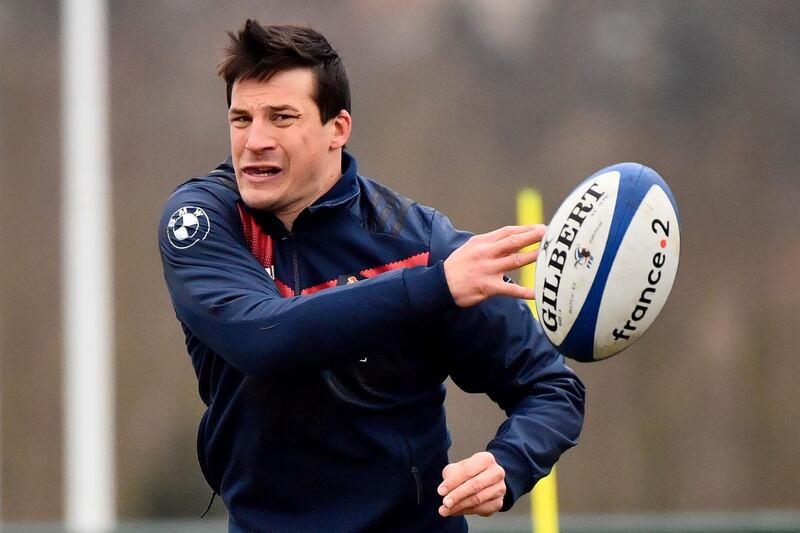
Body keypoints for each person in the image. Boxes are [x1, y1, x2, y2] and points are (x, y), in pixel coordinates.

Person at [159, 19, 585, 533]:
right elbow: (263, 338)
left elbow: (551, 388)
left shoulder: (419, 244)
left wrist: (508, 464)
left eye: (281, 117)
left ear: (337, 128)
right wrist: (432, 288)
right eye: (241, 118)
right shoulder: (202, 220)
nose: (255, 141)